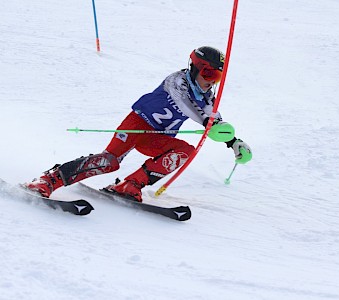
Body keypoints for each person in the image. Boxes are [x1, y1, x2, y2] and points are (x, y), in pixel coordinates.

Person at [25, 46, 252, 202]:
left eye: (217, 76)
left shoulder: (206, 95)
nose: (210, 80)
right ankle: (49, 180)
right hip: (136, 125)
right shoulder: (177, 81)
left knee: (185, 152)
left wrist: (233, 142)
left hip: (158, 136)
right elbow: (186, 105)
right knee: (109, 162)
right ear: (194, 66)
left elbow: (214, 116)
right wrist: (207, 121)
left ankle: (130, 185)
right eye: (208, 72)